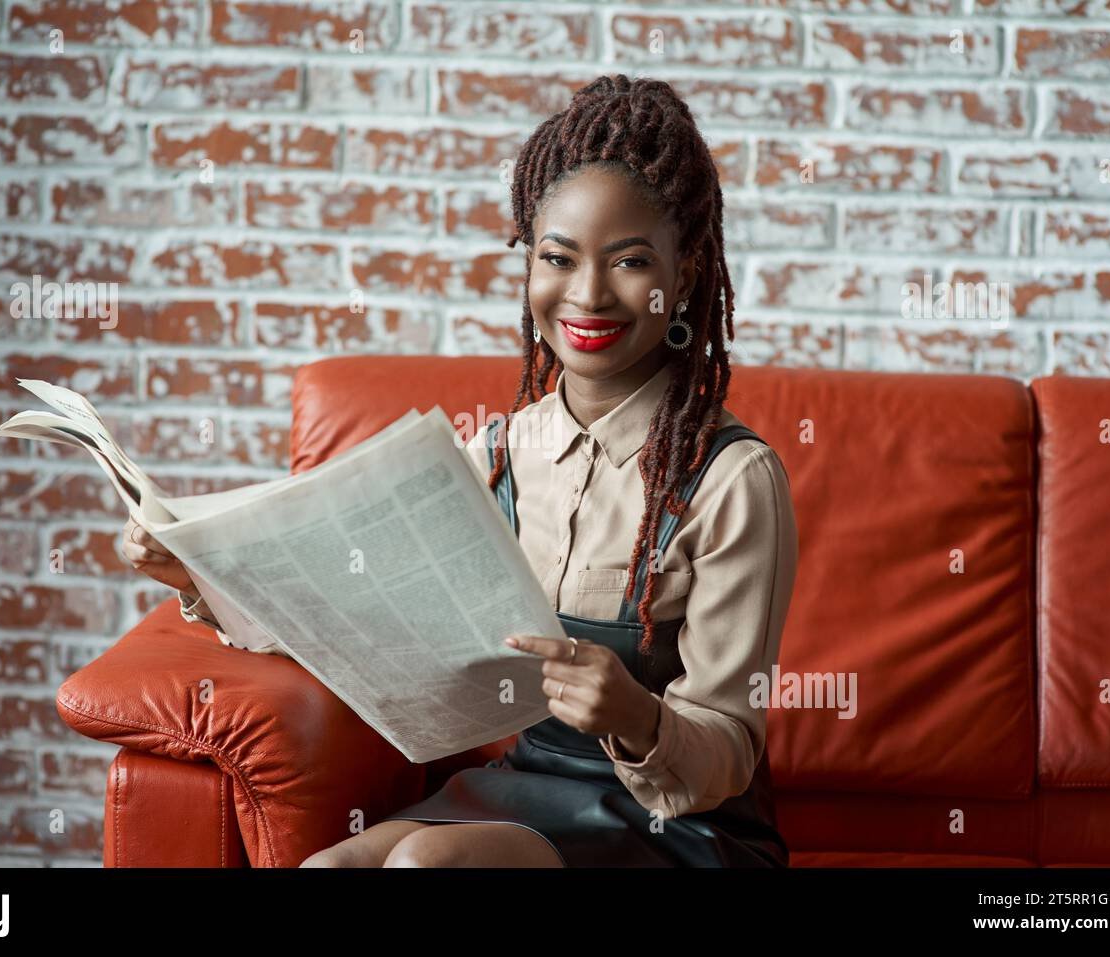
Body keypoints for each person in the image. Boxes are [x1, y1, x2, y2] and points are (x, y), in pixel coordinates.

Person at [122, 74, 799, 868]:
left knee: (425, 867)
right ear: (529, 265)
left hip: (677, 822)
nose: (586, 294)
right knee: (328, 866)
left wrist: (636, 715)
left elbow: (727, 749)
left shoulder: (732, 479)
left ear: (681, 279)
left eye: (629, 262)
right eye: (558, 257)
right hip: (528, 787)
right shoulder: (499, 453)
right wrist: (198, 574)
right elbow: (354, 617)